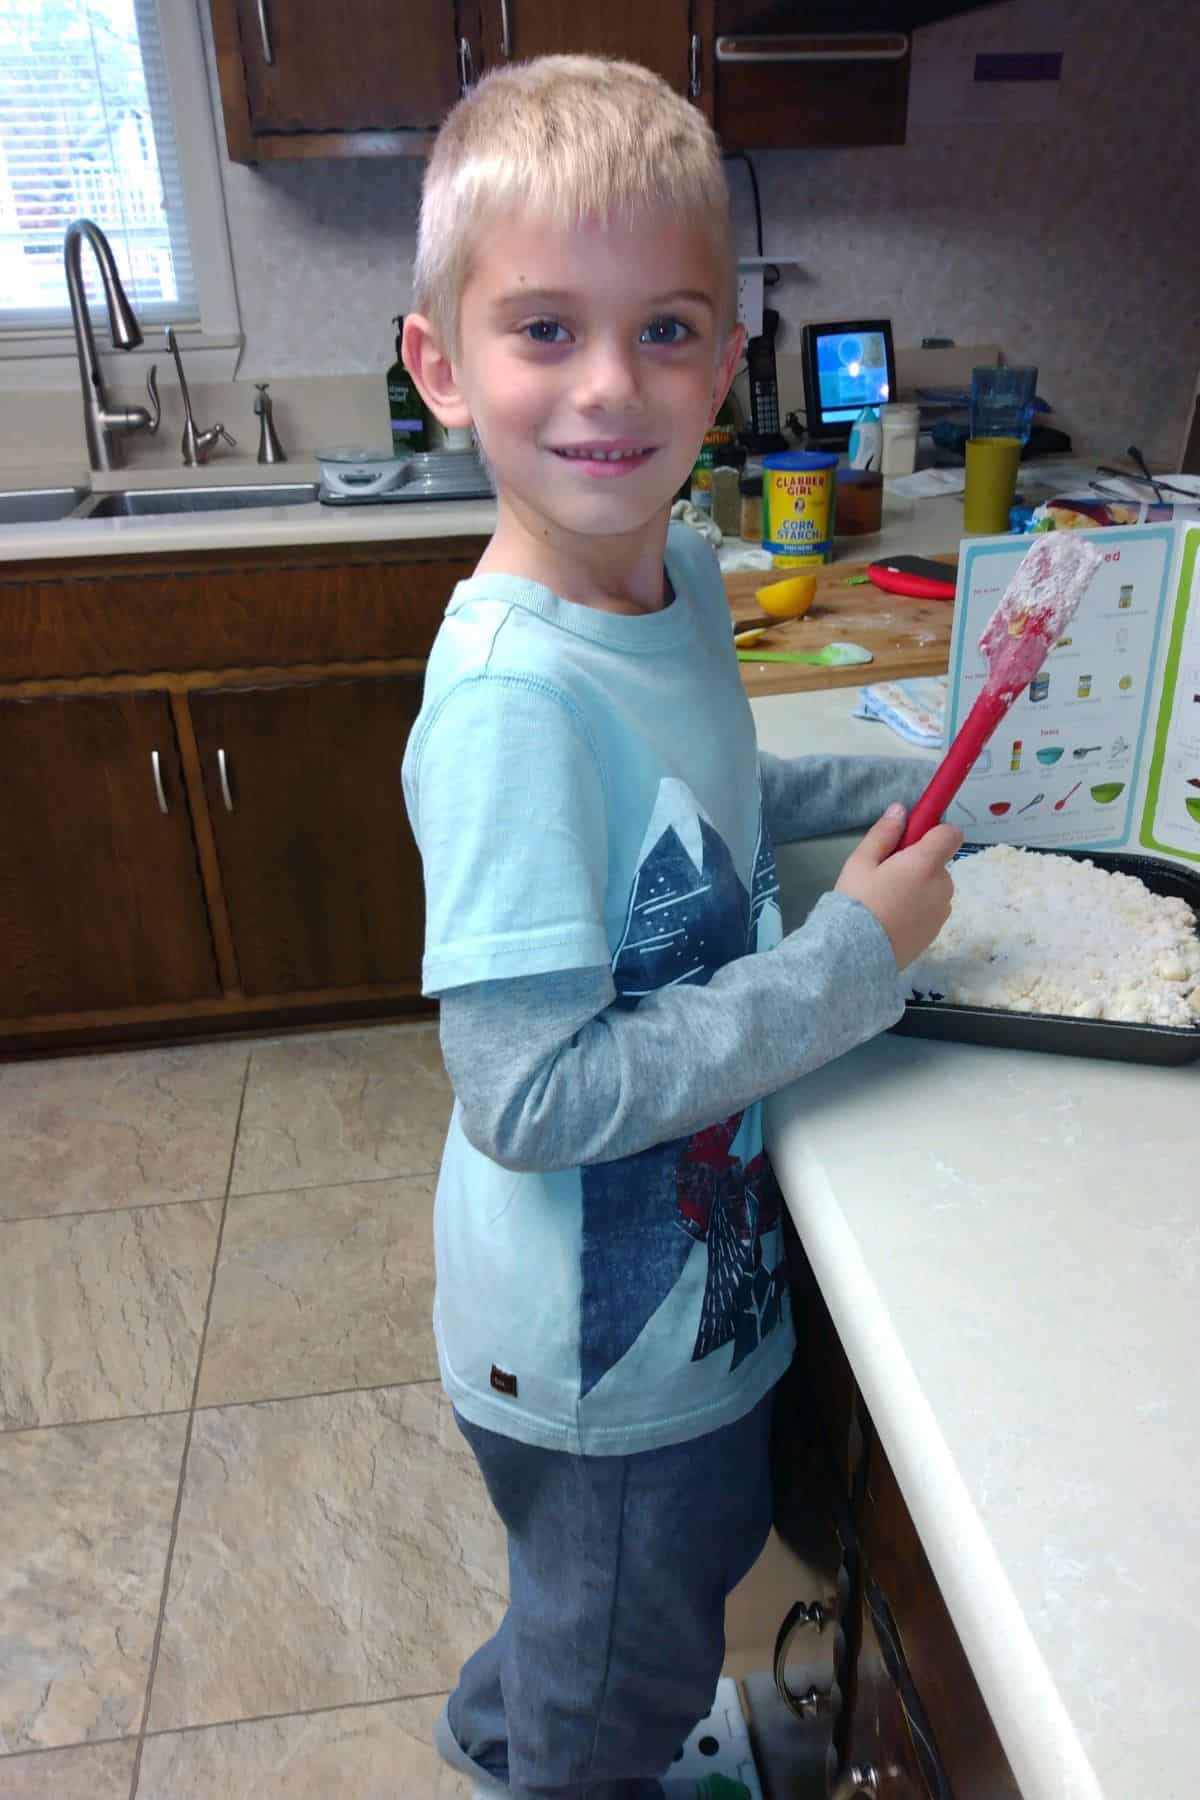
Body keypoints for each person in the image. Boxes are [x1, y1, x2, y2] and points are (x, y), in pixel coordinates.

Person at [399, 54, 961, 1800]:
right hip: (597, 1345)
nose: (608, 388)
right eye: (544, 328)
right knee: (626, 1649)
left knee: (625, 1594)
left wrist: (872, 786)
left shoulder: (677, 569)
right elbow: (529, 1094)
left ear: (730, 361)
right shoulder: (508, 698)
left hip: (667, 1312)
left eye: (666, 330)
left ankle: (507, 1725)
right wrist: (844, 967)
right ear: (438, 366)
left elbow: (703, 784)